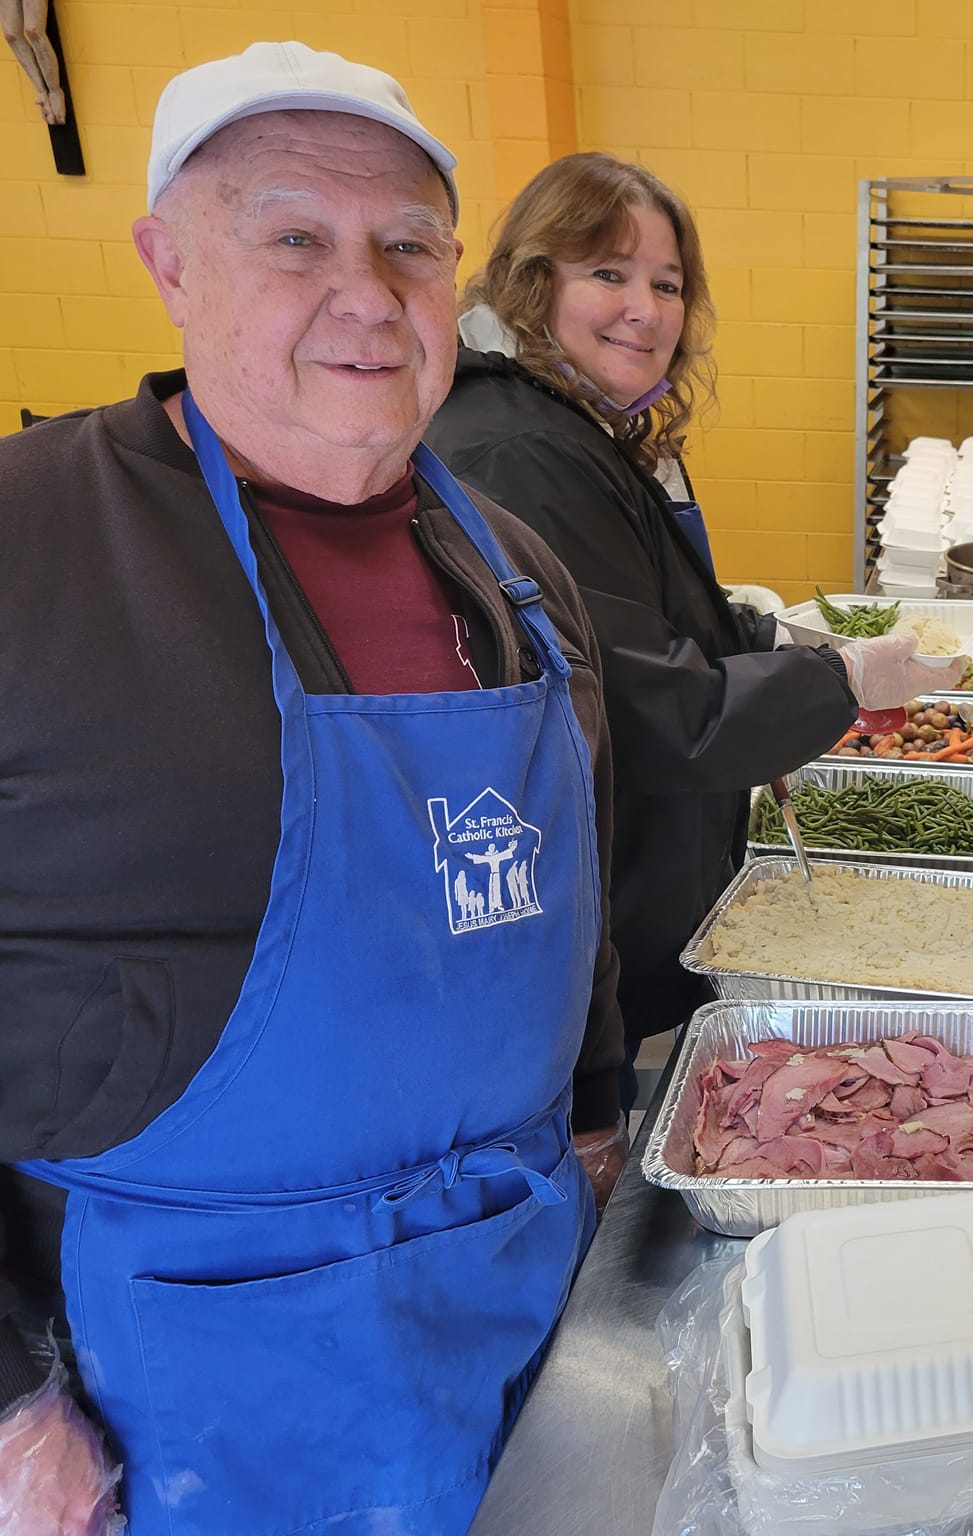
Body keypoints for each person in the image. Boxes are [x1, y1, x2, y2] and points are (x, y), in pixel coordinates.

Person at [0, 43, 639, 1534]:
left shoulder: (514, 573)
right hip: (164, 1394)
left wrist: (603, 1113)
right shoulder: (30, 551)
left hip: (516, 1322)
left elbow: (573, 887)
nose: (366, 292)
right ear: (168, 259)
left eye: (407, 245)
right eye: (294, 237)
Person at [426, 153, 958, 1105]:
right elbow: (652, 706)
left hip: (625, 887)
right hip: (587, 914)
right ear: (531, 278)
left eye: (667, 284)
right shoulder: (520, 447)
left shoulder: (563, 424)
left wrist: (782, 646)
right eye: (609, 273)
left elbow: (661, 616)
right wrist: (835, 679)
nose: (647, 308)